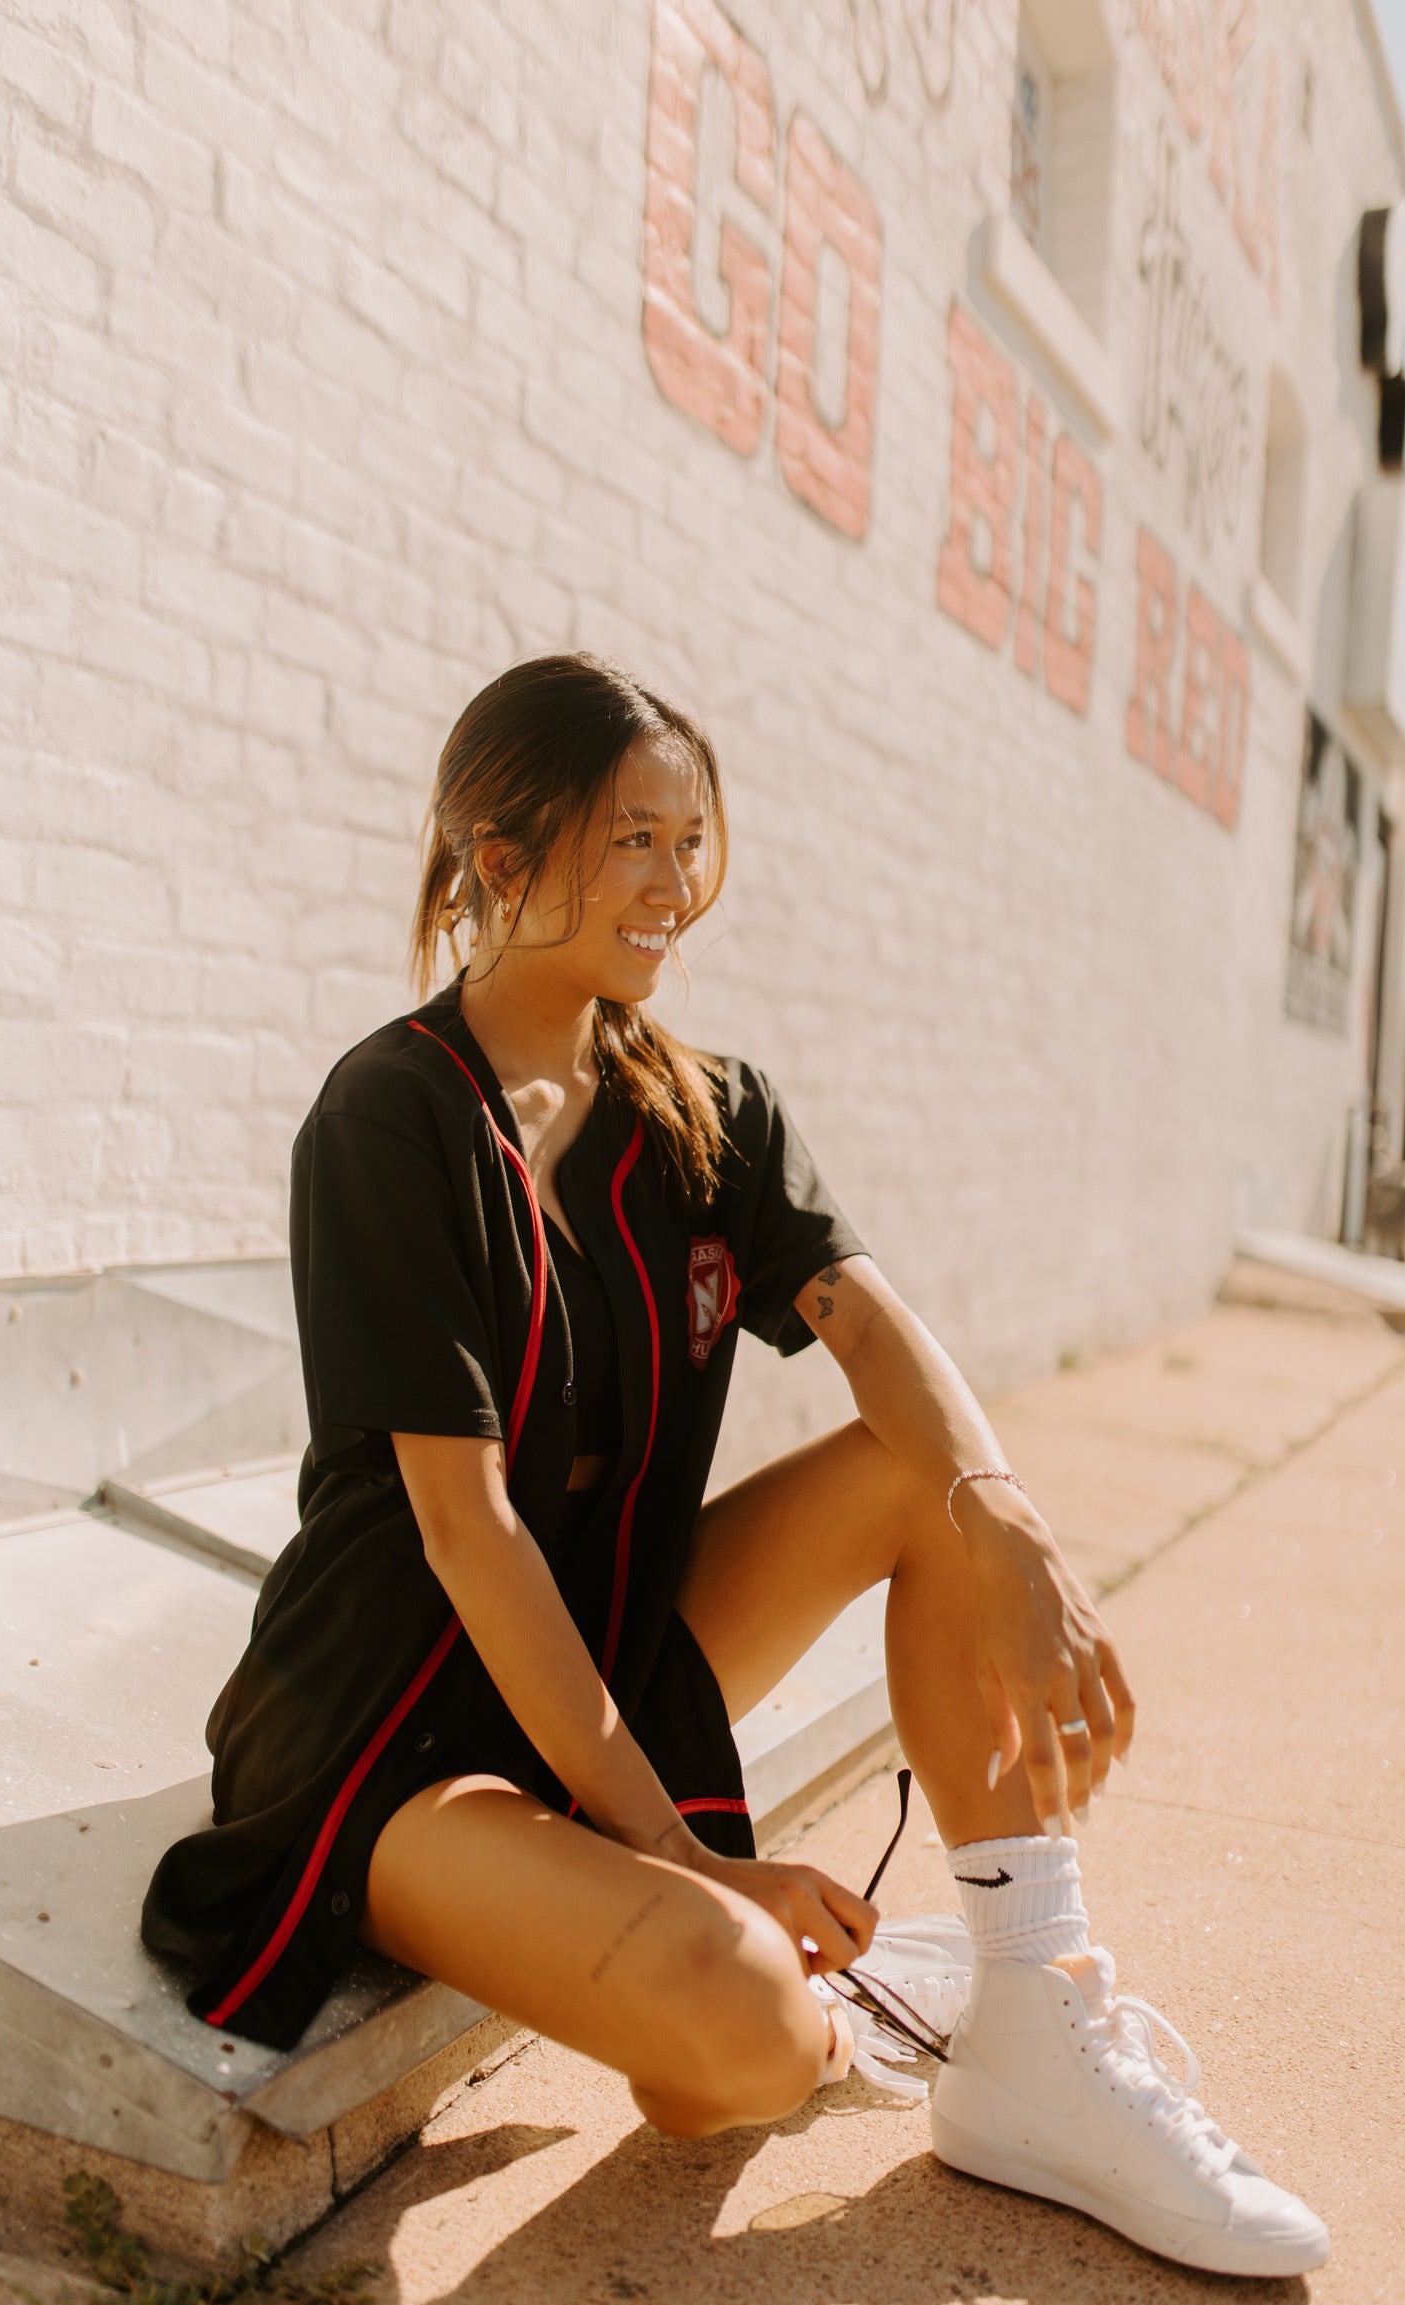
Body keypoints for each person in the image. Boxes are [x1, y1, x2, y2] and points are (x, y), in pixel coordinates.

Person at [143, 654, 1327, 2279]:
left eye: (688, 842)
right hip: (400, 1719)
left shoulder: (705, 1113)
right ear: (502, 859)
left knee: (927, 1474)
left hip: (612, 1636)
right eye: (632, 839)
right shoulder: (391, 1118)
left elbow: (869, 1324)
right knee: (744, 2045)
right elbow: (470, 1534)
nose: (674, 887)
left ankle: (1031, 2018)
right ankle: (856, 2003)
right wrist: (688, 1857)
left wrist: (1011, 1526)